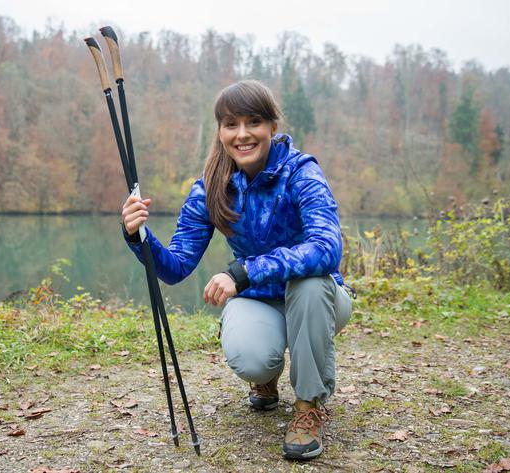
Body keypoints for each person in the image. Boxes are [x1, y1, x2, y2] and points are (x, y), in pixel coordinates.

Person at [121, 80, 352, 460]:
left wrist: (243, 271)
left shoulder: (301, 172)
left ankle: (309, 406)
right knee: (252, 358)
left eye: (253, 122)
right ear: (220, 132)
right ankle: (266, 378)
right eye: (231, 124)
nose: (242, 134)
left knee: (309, 285)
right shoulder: (211, 187)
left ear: (272, 128)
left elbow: (326, 248)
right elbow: (176, 267)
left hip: (319, 298)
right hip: (259, 301)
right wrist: (136, 235)